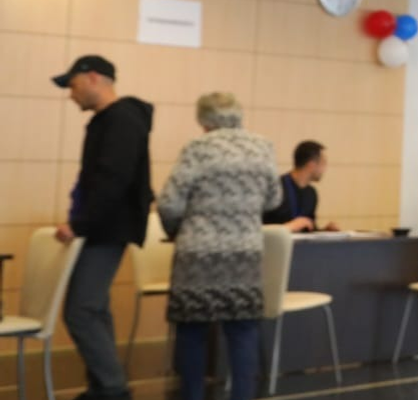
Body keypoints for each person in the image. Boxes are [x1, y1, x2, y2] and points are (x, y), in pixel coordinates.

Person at [157, 92, 280, 400]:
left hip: (198, 255)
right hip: (244, 253)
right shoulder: (262, 147)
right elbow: (274, 200)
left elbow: (169, 203)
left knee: (192, 330)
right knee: (243, 331)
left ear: (203, 119)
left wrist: (176, 231)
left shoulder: (198, 148)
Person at [52, 55, 152, 400]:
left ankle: (111, 388)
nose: (71, 94)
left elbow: (112, 178)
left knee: (80, 310)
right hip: (103, 226)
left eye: (73, 85)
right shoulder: (110, 120)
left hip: (106, 228)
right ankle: (104, 386)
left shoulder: (121, 120)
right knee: (94, 308)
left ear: (93, 77)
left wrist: (80, 223)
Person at [263, 140, 339, 232]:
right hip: (276, 241)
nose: (325, 168)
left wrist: (325, 231)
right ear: (311, 165)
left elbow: (309, 229)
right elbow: (259, 227)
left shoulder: (311, 193)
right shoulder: (275, 187)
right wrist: (289, 227)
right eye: (323, 163)